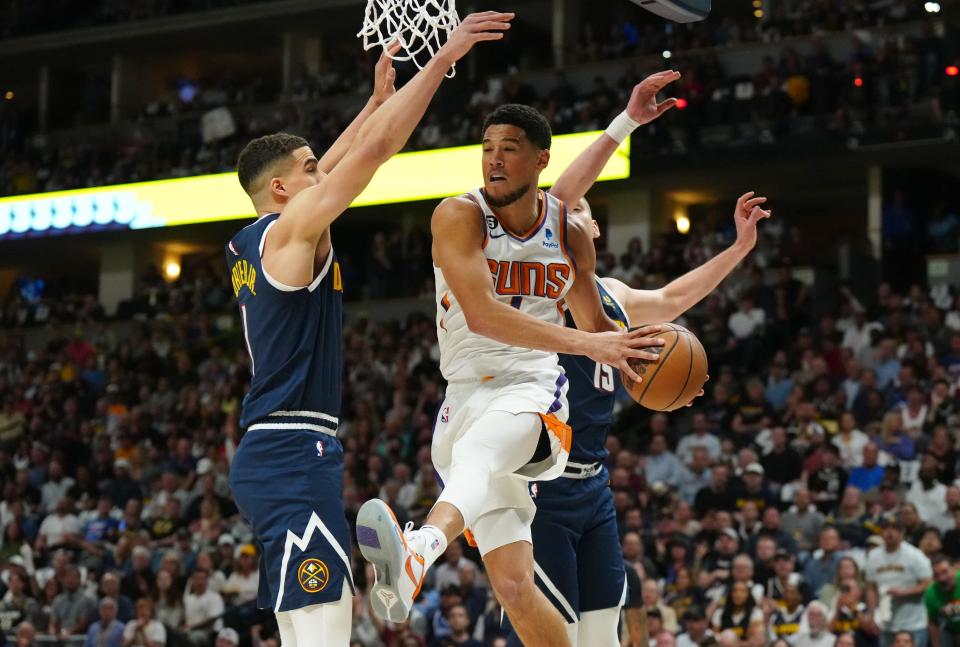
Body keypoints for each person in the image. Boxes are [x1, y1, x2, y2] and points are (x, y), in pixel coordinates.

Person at [224, 13, 512, 646]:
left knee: (304, 622)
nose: (322, 173)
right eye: (308, 170)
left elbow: (336, 160)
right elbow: (374, 154)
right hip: (294, 447)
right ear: (281, 188)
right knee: (326, 620)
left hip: (271, 450)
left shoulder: (254, 238)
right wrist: (443, 61)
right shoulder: (293, 232)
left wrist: (376, 101)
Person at [355, 96, 678, 646]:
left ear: (539, 162)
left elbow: (595, 321)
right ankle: (422, 552)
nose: (494, 160)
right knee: (513, 588)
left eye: (509, 149)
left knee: (480, 452)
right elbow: (482, 316)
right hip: (461, 397)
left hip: (535, 388)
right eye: (487, 149)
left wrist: (641, 360)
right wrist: (593, 342)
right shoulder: (457, 216)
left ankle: (419, 550)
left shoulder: (568, 229)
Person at [864, 514, 933, 647]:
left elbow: (928, 584)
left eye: (894, 528)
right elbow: (871, 588)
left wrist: (903, 592)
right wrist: (871, 615)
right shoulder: (873, 556)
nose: (889, 532)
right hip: (886, 623)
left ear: (902, 533)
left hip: (913, 622)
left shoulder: (915, 555)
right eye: (886, 528)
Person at [924, 554, 960, 647]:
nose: (942, 578)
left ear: (954, 569)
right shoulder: (930, 594)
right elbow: (932, 623)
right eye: (936, 575)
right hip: (948, 629)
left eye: (945, 572)